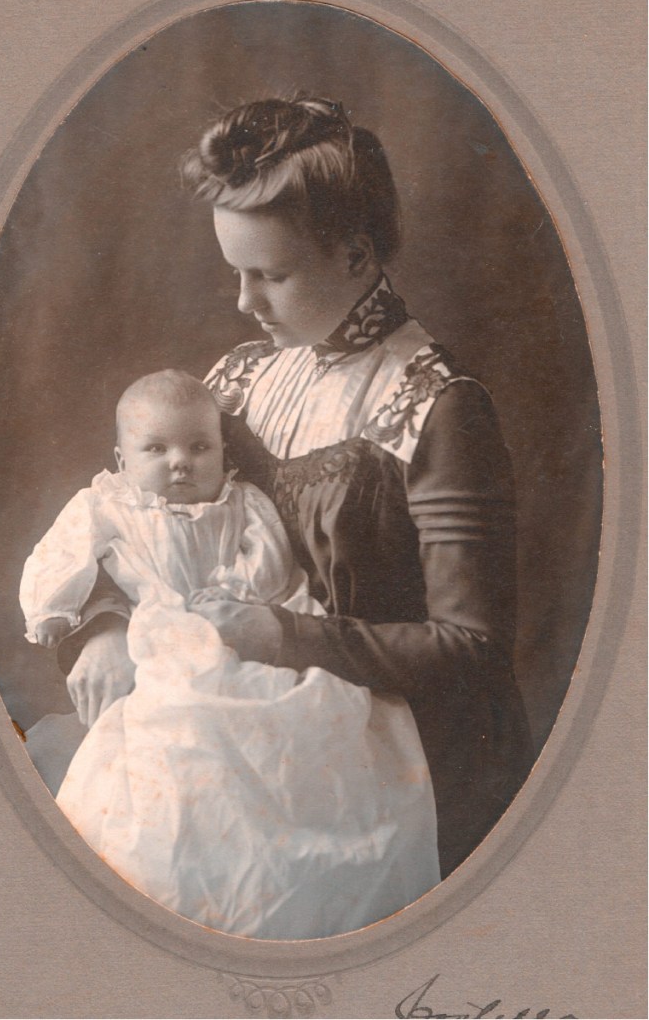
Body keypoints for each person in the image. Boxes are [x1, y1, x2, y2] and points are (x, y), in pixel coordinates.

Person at [62, 95, 534, 884]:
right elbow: (139, 517)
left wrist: (283, 637)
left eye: (270, 275)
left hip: (405, 753)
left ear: (356, 255)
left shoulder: (435, 405)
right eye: (236, 275)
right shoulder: (239, 380)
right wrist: (106, 624)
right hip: (239, 723)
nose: (244, 303)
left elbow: (473, 650)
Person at [21, 369, 441, 939]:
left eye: (199, 447)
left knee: (302, 719)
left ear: (223, 450)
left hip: (244, 633)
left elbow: (272, 570)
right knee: (180, 734)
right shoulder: (106, 505)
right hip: (162, 644)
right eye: (156, 449)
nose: (180, 462)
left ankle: (281, 877)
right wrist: (75, 617)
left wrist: (236, 593)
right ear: (122, 460)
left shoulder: (244, 503)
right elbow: (58, 560)